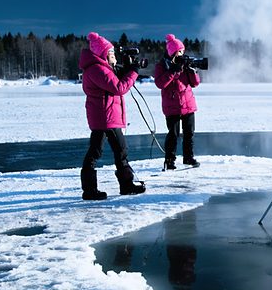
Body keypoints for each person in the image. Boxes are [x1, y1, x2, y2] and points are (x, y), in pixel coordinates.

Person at [79, 32, 146, 200]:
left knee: (98, 151)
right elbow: (119, 88)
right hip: (106, 116)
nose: (114, 56)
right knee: (118, 149)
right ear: (103, 54)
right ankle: (123, 185)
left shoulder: (99, 68)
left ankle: (93, 189)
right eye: (111, 53)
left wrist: (127, 69)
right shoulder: (97, 69)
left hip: (104, 115)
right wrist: (133, 72)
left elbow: (114, 83)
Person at [154, 34, 201, 170]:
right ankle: (170, 160)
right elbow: (160, 83)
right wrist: (173, 71)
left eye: (182, 51)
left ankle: (188, 157)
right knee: (173, 134)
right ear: (173, 52)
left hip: (188, 104)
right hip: (172, 105)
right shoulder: (162, 66)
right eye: (179, 51)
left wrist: (192, 71)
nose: (181, 54)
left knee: (189, 134)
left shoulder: (185, 64)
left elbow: (195, 83)